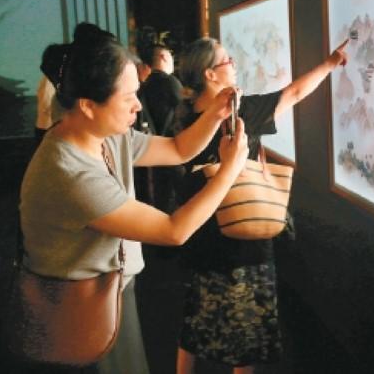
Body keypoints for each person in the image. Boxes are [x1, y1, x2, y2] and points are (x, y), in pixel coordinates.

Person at [19, 33, 249, 374]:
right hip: (77, 305)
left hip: (110, 289)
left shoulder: (107, 136)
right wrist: (230, 170)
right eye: (128, 97)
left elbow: (178, 149)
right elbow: (173, 230)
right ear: (87, 105)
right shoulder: (68, 172)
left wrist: (215, 114)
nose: (138, 106)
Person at [174, 37, 348, 374]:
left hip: (200, 235)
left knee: (195, 320)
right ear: (210, 74)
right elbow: (294, 93)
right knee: (248, 336)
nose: (233, 65)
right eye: (227, 60)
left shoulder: (184, 119)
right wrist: (330, 64)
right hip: (243, 239)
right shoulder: (241, 114)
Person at [134, 42, 184, 211]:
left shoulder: (142, 87)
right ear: (163, 57)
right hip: (172, 155)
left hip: (150, 159)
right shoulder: (170, 83)